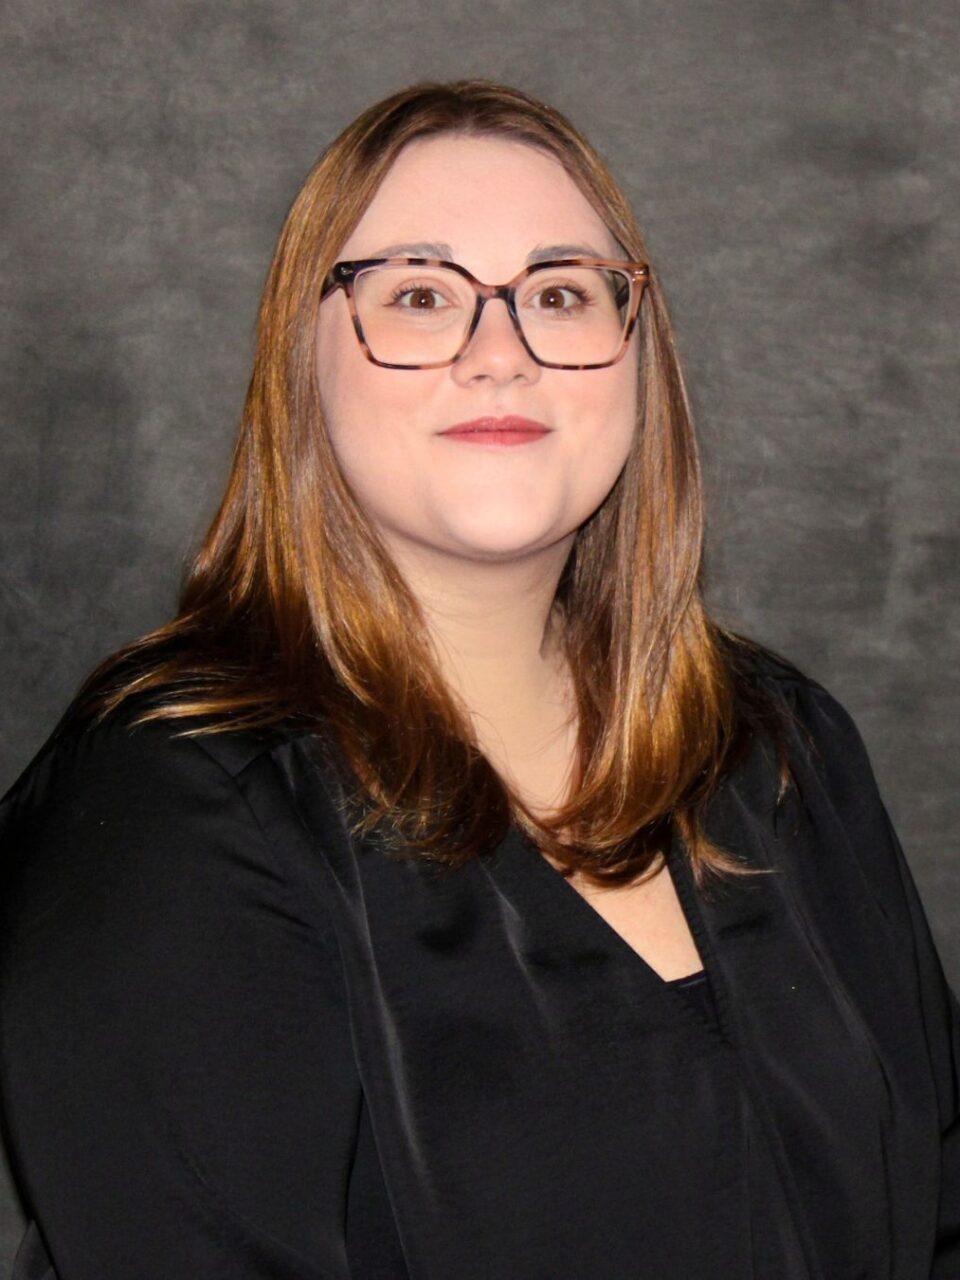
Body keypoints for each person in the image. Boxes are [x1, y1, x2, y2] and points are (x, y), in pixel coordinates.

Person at [0, 78, 957, 1280]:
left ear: (636, 354)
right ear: (302, 364)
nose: (500, 353)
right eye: (417, 295)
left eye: (559, 292)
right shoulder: (173, 802)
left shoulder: (775, 744)